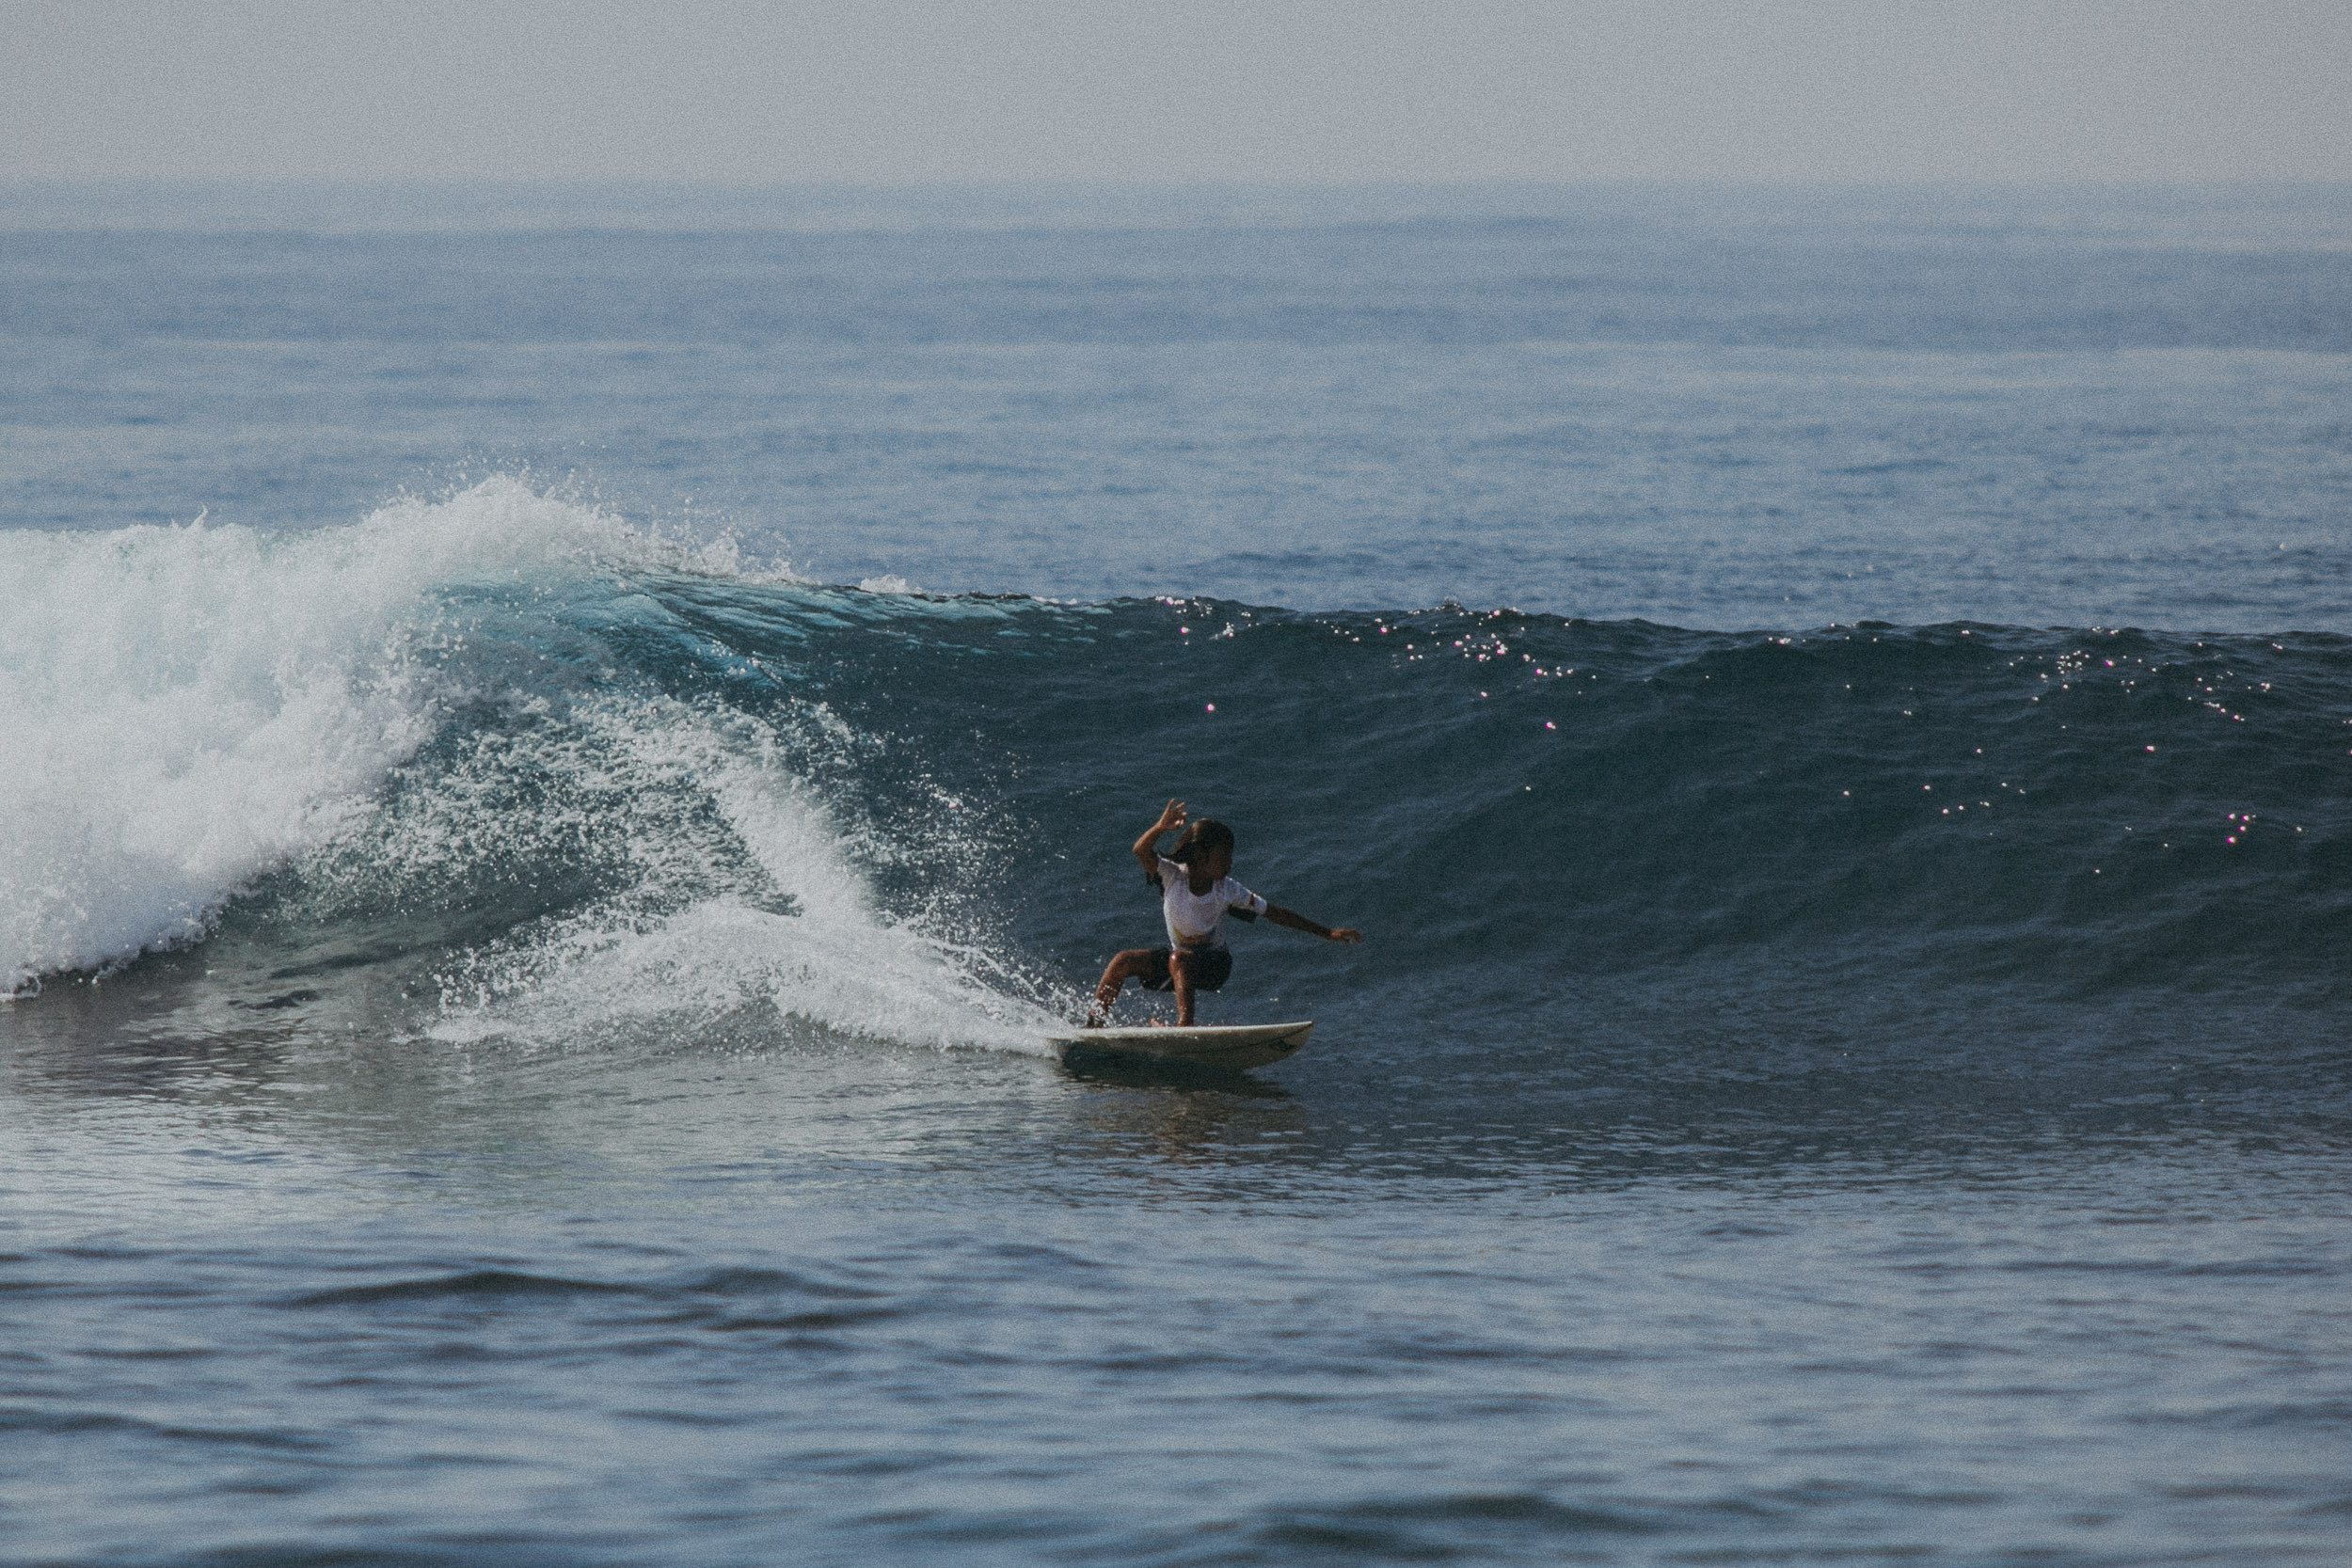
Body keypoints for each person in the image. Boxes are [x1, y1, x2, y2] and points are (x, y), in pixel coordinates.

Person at [1088, 799, 1361, 1027]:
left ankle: (1183, 1029)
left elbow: (1274, 913)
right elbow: (1140, 851)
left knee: (1179, 959)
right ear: (1200, 859)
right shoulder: (1172, 876)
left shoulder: (1228, 890)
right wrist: (1161, 827)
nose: (1230, 863)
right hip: (1179, 965)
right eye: (1224, 857)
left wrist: (1326, 932)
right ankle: (1094, 1025)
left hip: (1215, 965)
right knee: (1123, 961)